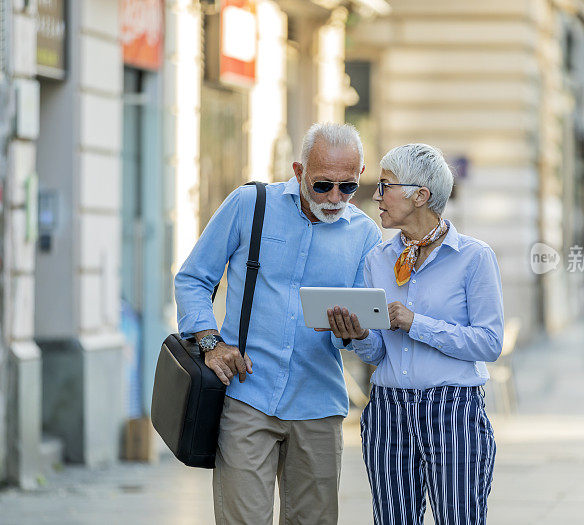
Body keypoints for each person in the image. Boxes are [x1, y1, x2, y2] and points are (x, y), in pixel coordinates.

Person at [174, 123, 382, 524]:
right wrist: (210, 342)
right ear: (299, 171)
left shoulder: (365, 236)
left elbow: (364, 333)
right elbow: (193, 278)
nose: (335, 197)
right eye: (323, 185)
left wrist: (354, 334)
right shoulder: (249, 204)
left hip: (318, 404)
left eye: (348, 186)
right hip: (248, 396)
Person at [325, 143, 504, 524]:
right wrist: (355, 334)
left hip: (453, 408)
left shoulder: (474, 257)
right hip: (388, 409)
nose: (376, 195)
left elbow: (489, 342)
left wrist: (415, 323)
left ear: (420, 195)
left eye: (386, 185)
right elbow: (377, 354)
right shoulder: (378, 259)